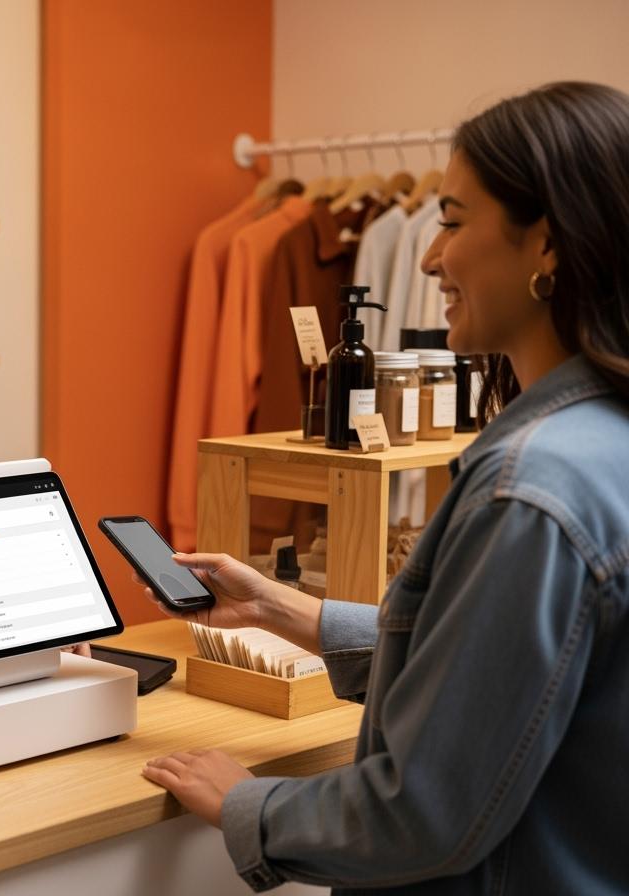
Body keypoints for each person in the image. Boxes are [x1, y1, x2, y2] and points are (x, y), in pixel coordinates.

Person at [142, 82, 629, 894]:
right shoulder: (601, 441)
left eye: (452, 221)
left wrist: (250, 804)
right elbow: (507, 671)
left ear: (546, 246)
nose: (431, 257)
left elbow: (423, 811)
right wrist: (281, 609)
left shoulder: (530, 488)